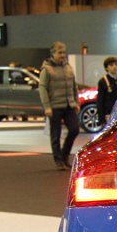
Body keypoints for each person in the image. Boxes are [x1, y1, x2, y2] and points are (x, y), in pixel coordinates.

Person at [39, 41, 80, 170]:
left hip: (69, 105)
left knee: (74, 130)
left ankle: (64, 155)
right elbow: (42, 88)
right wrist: (47, 106)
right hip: (54, 106)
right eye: (59, 52)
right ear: (53, 54)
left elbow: (74, 86)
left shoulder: (68, 67)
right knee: (55, 135)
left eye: (64, 52)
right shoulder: (46, 69)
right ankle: (58, 160)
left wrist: (76, 102)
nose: (62, 55)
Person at [96, 56, 117, 127]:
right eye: (111, 65)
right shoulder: (103, 81)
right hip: (109, 113)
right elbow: (100, 101)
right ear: (106, 68)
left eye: (116, 64)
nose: (115, 67)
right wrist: (101, 119)